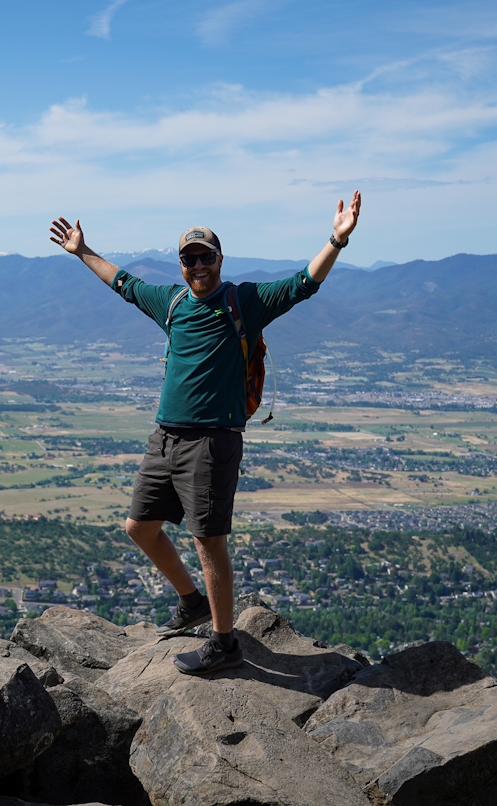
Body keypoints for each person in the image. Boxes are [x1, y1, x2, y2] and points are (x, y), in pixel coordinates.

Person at [48, 191, 362, 675]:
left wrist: (335, 240)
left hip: (212, 442)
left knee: (208, 542)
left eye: (205, 256)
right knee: (139, 527)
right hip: (165, 438)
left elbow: (302, 284)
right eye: (189, 258)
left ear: (219, 260)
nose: (197, 265)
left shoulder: (243, 301)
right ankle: (191, 601)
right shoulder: (170, 302)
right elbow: (124, 284)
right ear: (180, 265)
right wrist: (82, 251)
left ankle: (223, 642)